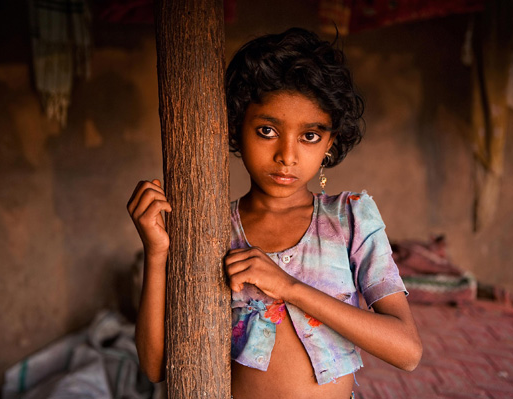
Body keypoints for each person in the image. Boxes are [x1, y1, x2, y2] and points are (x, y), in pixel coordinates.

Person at [127, 28, 422, 399]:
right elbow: (156, 366)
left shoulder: (349, 219)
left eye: (309, 136)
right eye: (267, 130)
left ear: (330, 143)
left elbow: (407, 350)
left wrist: (288, 287)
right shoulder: (213, 229)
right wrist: (156, 253)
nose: (287, 155)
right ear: (236, 129)